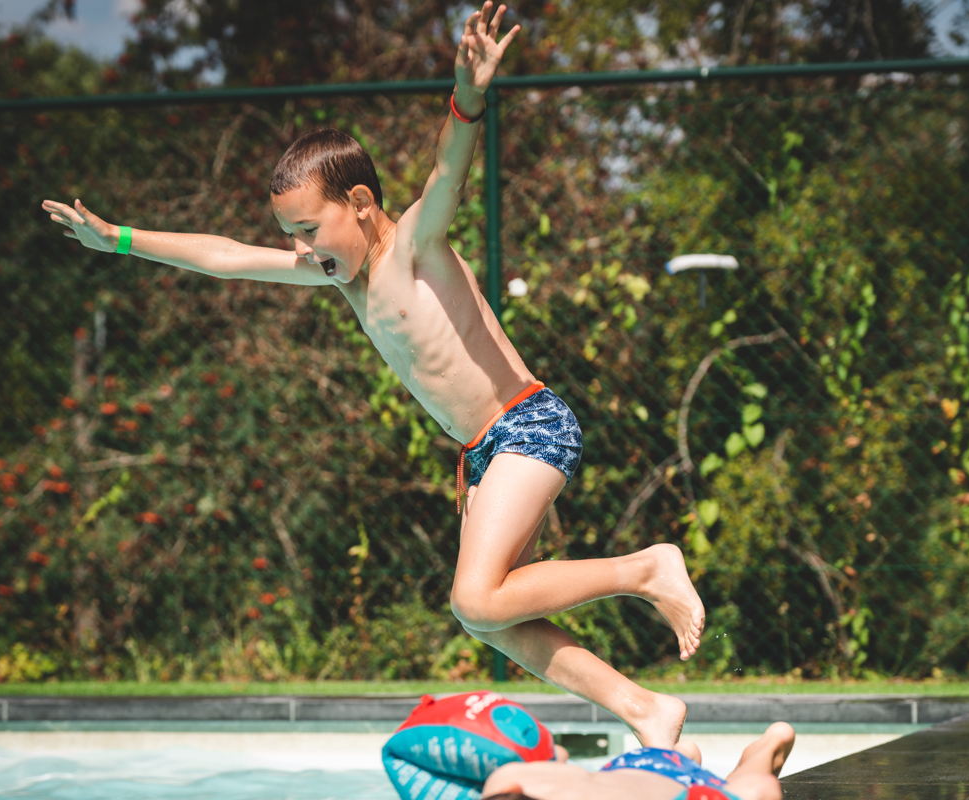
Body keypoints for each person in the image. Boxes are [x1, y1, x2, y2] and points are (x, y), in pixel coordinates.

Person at [41, 2, 705, 749]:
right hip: (483, 450)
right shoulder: (342, 278)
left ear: (359, 203)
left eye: (308, 230)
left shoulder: (414, 246)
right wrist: (120, 239)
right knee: (490, 619)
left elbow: (448, 169)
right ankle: (645, 710)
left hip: (528, 423)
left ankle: (645, 569)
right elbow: (226, 256)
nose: (302, 250)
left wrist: (469, 94)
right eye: (290, 236)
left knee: (477, 599)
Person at [481, 721, 797, 800]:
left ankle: (771, 743)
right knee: (682, 757)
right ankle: (685, 756)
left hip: (681, 791)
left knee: (756, 786)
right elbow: (559, 754)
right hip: (640, 763)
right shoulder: (507, 779)